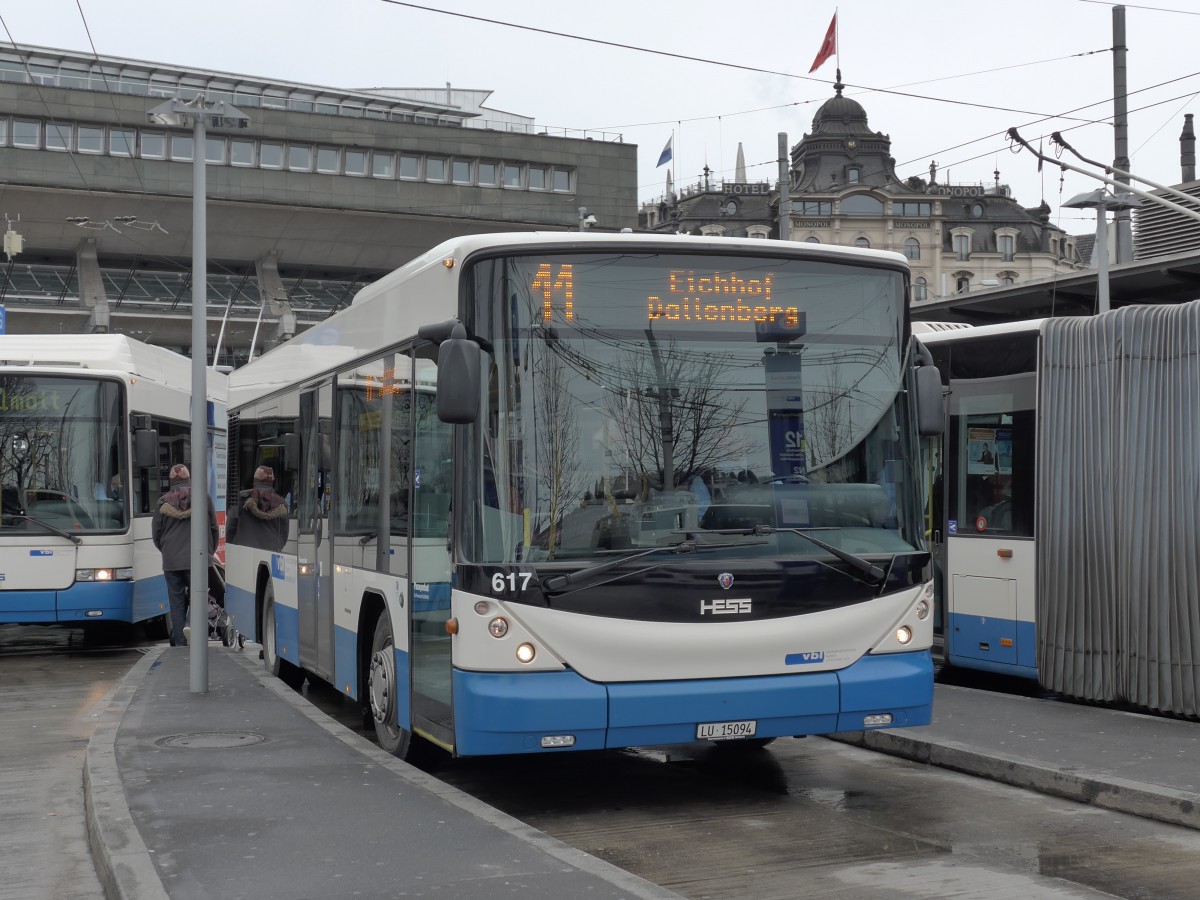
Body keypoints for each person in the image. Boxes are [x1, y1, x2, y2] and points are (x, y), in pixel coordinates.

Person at [152, 464, 218, 647]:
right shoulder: (203, 499)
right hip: (198, 558)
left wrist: (167, 551)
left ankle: (180, 642)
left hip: (172, 561)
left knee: (176, 602)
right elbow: (213, 528)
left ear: (171, 482)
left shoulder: (162, 502)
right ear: (189, 479)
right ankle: (190, 625)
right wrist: (209, 553)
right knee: (199, 596)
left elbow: (156, 535)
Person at [229, 465, 289, 551]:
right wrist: (276, 547)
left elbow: (230, 527)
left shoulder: (240, 498)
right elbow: (284, 534)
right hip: (271, 553)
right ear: (272, 482)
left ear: (255, 480)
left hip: (242, 552)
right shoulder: (282, 504)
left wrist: (232, 546)